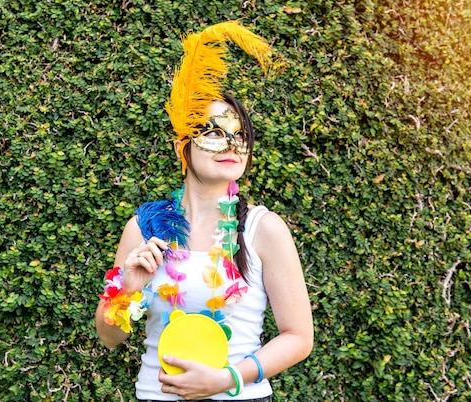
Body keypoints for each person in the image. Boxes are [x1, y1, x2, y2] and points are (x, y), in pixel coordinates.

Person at [95, 21, 313, 401]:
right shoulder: (144, 228)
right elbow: (108, 337)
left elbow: (298, 338)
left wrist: (227, 378)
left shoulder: (264, 229)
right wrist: (128, 289)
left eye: (240, 135)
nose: (231, 143)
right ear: (183, 146)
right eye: (214, 132)